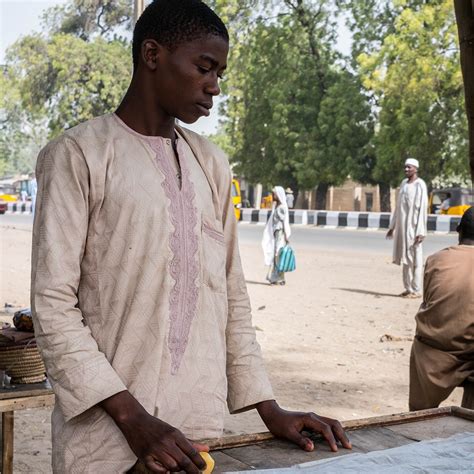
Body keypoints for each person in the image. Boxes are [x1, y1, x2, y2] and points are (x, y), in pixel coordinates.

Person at [31, 2, 350, 472]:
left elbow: (229, 293)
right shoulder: (78, 155)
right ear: (153, 54)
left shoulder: (212, 164)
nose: (214, 86)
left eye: (219, 72)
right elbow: (53, 304)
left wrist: (269, 409)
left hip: (195, 434)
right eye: (204, 67)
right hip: (106, 437)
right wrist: (135, 421)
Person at [409, 206, 474, 411]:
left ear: (458, 230)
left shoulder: (436, 259)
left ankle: (419, 416)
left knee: (419, 416)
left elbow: (429, 300)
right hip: (470, 351)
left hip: (432, 352)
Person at [386, 158, 428, 298]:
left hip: (414, 228)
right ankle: (408, 288)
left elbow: (422, 209)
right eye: (405, 167)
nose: (406, 170)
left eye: (409, 167)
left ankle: (417, 290)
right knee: (405, 258)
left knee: (415, 259)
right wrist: (392, 226)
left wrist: (421, 231)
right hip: (402, 228)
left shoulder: (420, 185)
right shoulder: (404, 184)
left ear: (415, 169)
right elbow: (398, 207)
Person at [262, 186, 291, 285]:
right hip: (276, 232)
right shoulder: (277, 206)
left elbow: (283, 222)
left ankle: (278, 278)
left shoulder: (282, 207)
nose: (273, 195)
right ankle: (277, 277)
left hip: (280, 233)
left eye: (274, 194)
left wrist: (286, 235)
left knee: (277, 254)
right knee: (276, 255)